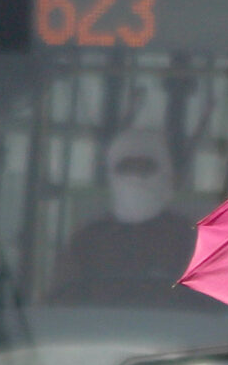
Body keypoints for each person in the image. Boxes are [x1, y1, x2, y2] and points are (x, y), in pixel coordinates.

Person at [47, 128, 200, 307]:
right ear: (111, 174)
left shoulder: (190, 241)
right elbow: (62, 303)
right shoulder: (87, 242)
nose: (135, 178)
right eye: (126, 168)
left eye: (145, 168)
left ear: (165, 173)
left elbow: (210, 309)